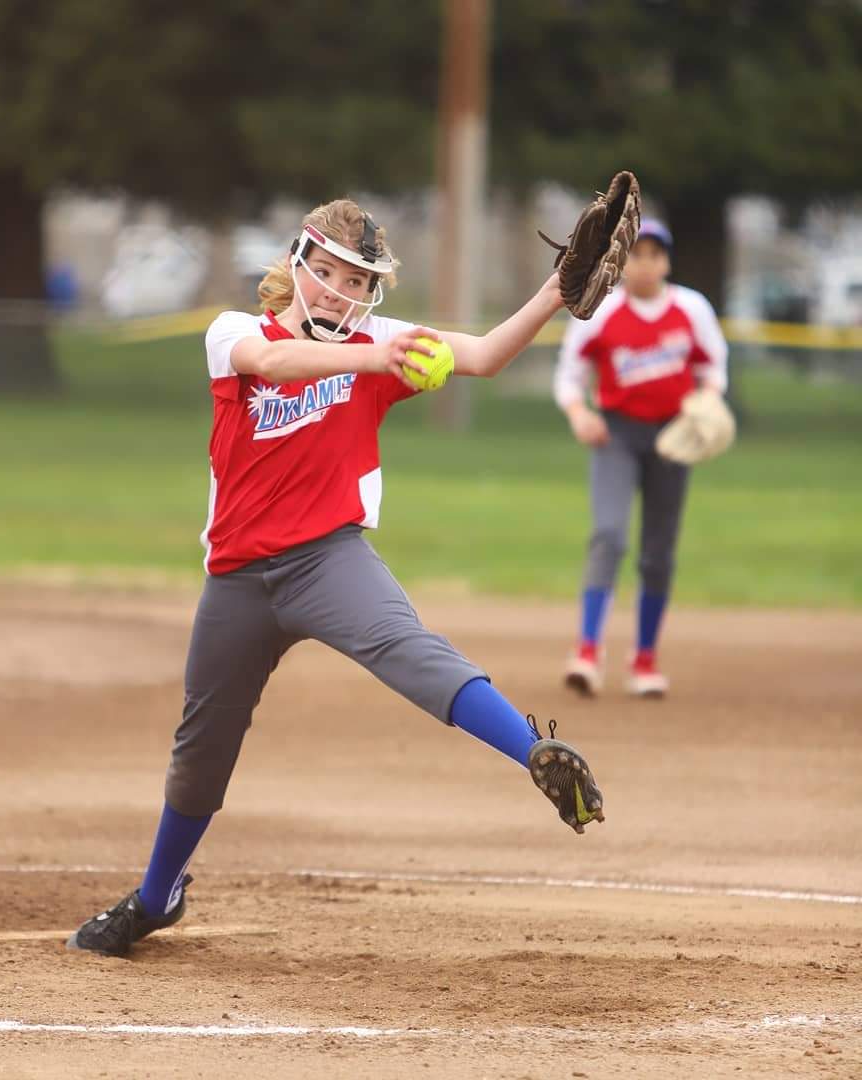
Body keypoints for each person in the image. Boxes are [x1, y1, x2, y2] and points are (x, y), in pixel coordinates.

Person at [67, 198, 604, 959]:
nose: (336, 291)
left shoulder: (378, 340)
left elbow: (484, 355)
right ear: (296, 265)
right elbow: (275, 363)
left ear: (371, 292)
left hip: (328, 559)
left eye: (355, 281)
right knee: (202, 746)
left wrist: (556, 289)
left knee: (408, 648)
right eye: (323, 271)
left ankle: (537, 756)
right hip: (238, 579)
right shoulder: (235, 333)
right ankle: (156, 899)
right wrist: (376, 358)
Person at [553, 219, 729, 699]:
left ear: (666, 262)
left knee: (658, 553)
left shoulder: (691, 308)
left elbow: (713, 368)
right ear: (622, 261)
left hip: (674, 436)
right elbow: (569, 375)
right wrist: (578, 414)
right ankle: (587, 652)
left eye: (654, 254)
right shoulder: (603, 309)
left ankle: (645, 659)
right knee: (609, 535)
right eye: (636, 253)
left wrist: (708, 401)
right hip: (617, 434)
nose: (645, 263)